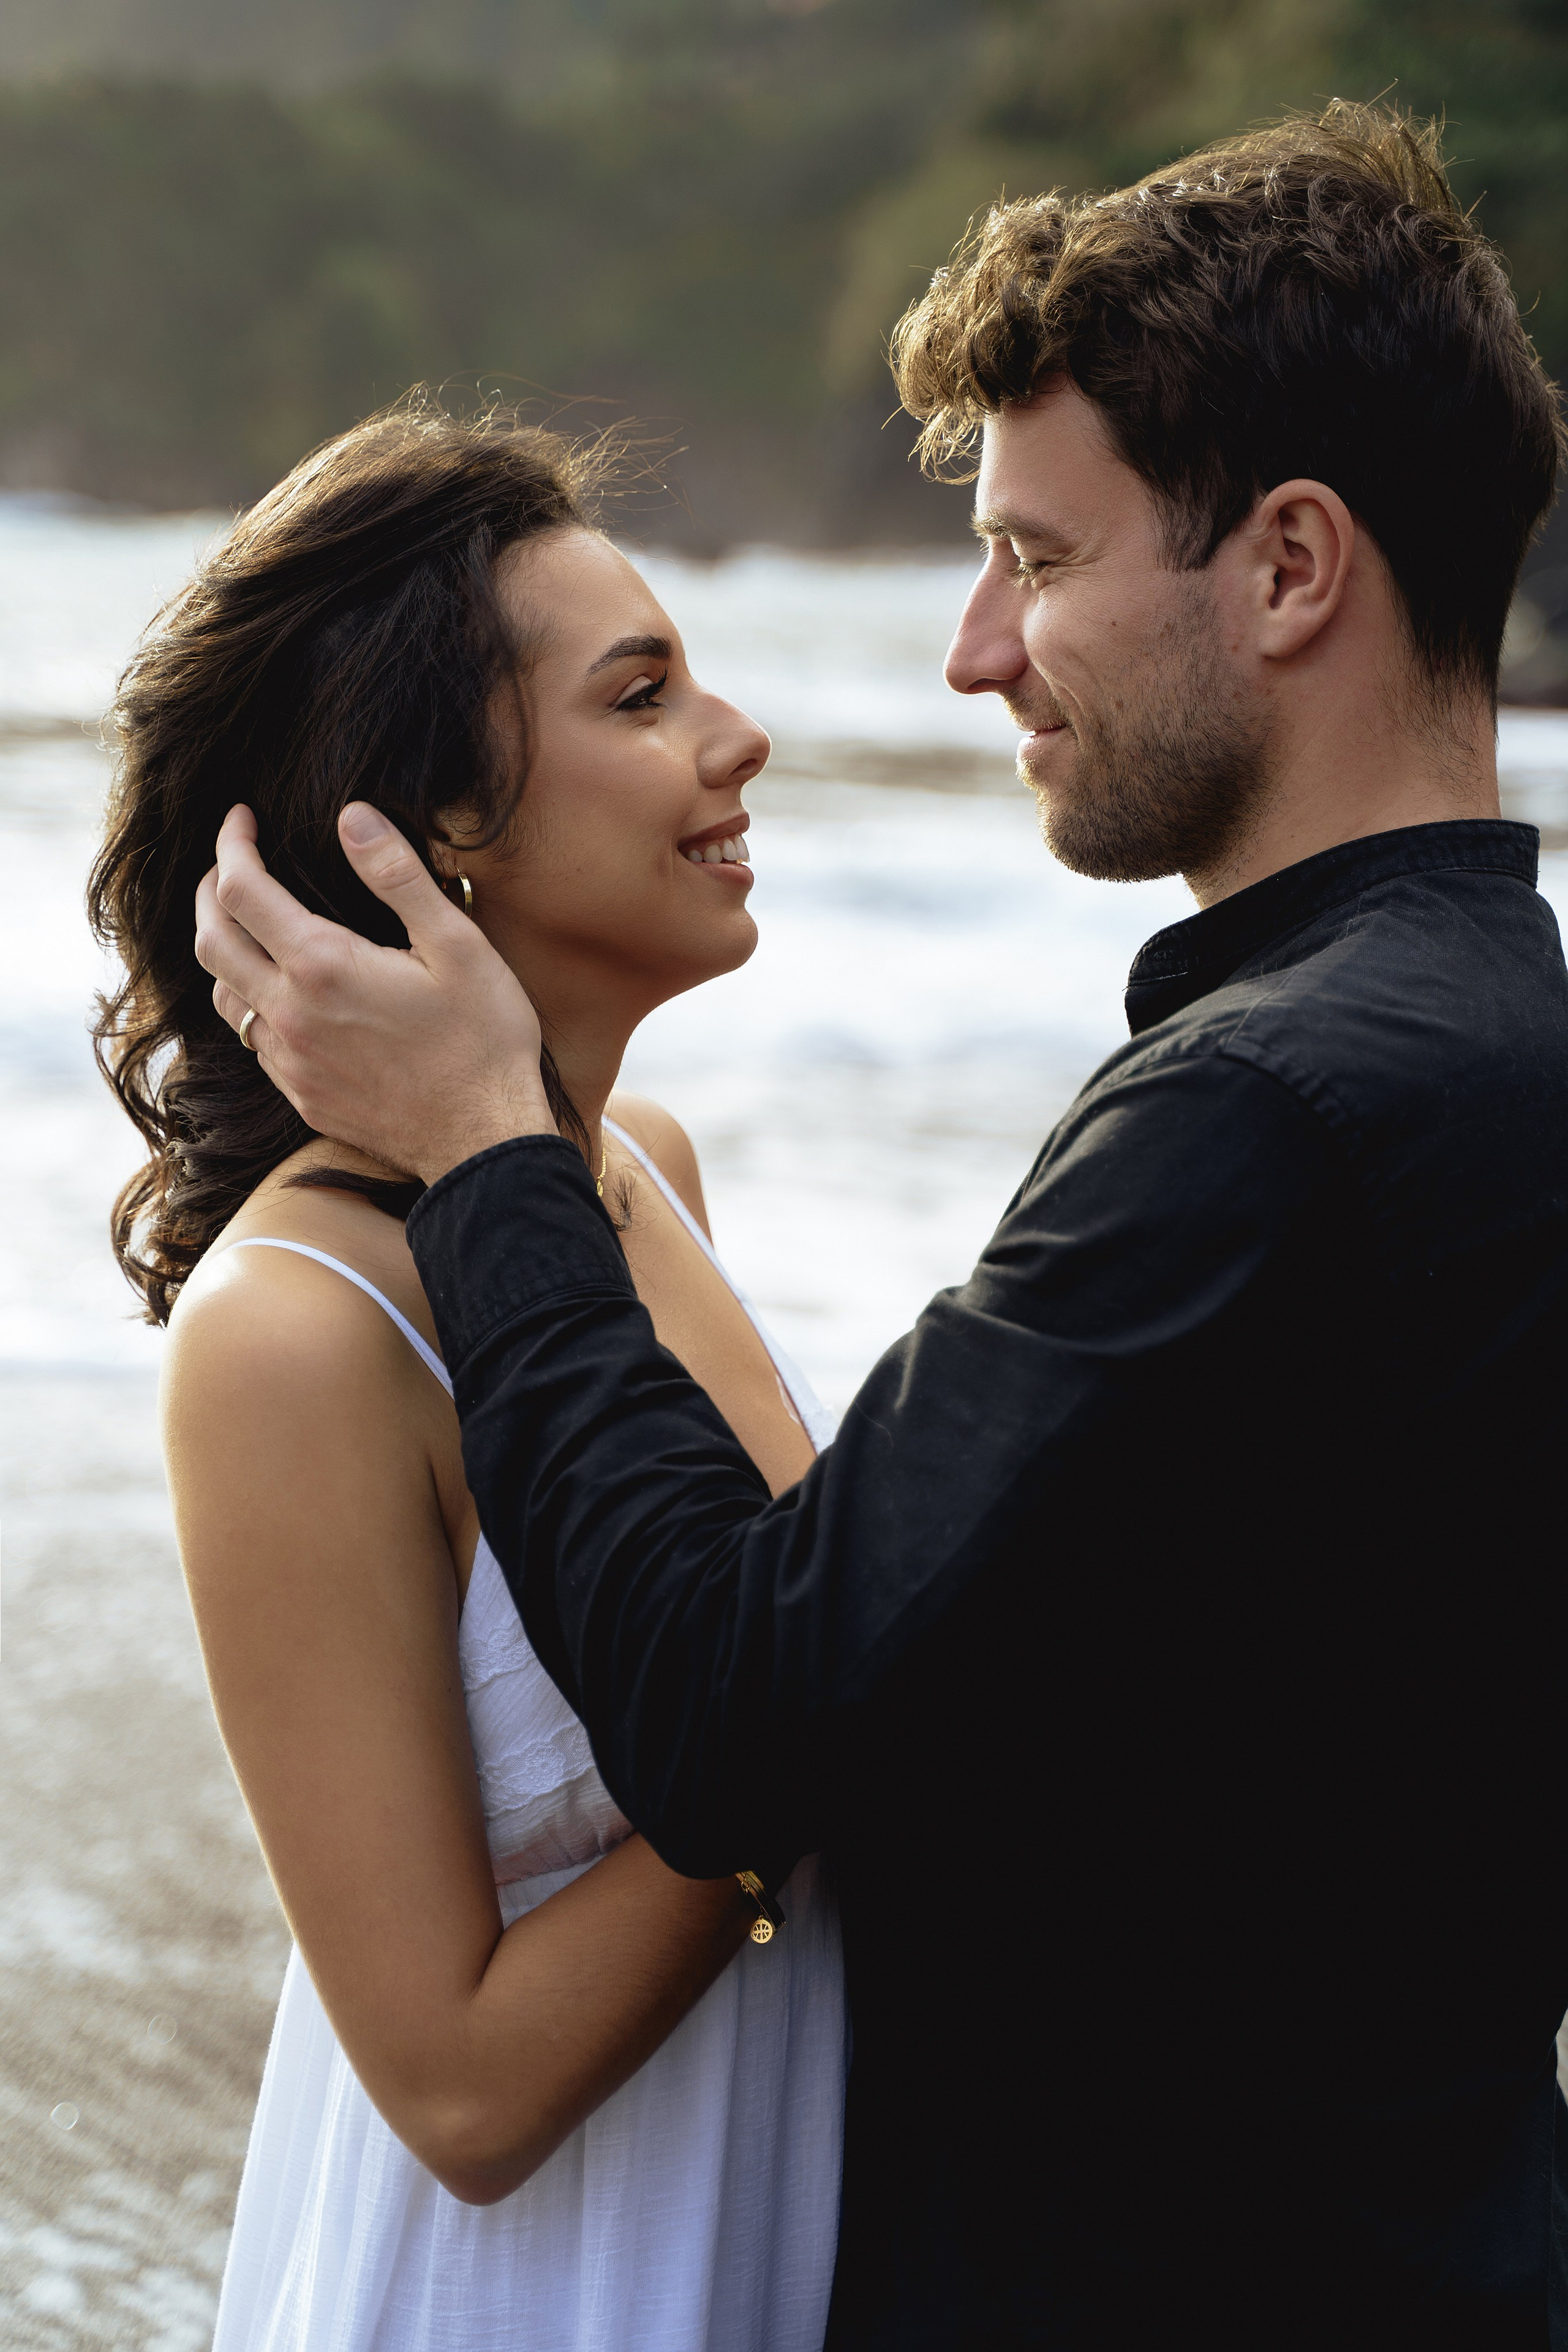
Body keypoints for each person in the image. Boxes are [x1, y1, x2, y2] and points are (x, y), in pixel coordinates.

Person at [192, 105, 1568, 2348]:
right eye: (641, 690)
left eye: (1037, 555)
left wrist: (494, 1154)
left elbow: (745, 1717)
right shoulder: (1501, 1044)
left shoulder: (1260, 1113)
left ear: (1292, 569)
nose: (973, 653)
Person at [89, 402, 848, 2352]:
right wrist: (839, 1706)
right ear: (431, 834)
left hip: (780, 2221)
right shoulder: (296, 1333)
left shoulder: (644, 1170)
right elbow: (459, 2090)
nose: (739, 738)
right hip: (542, 2292)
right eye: (644, 697)